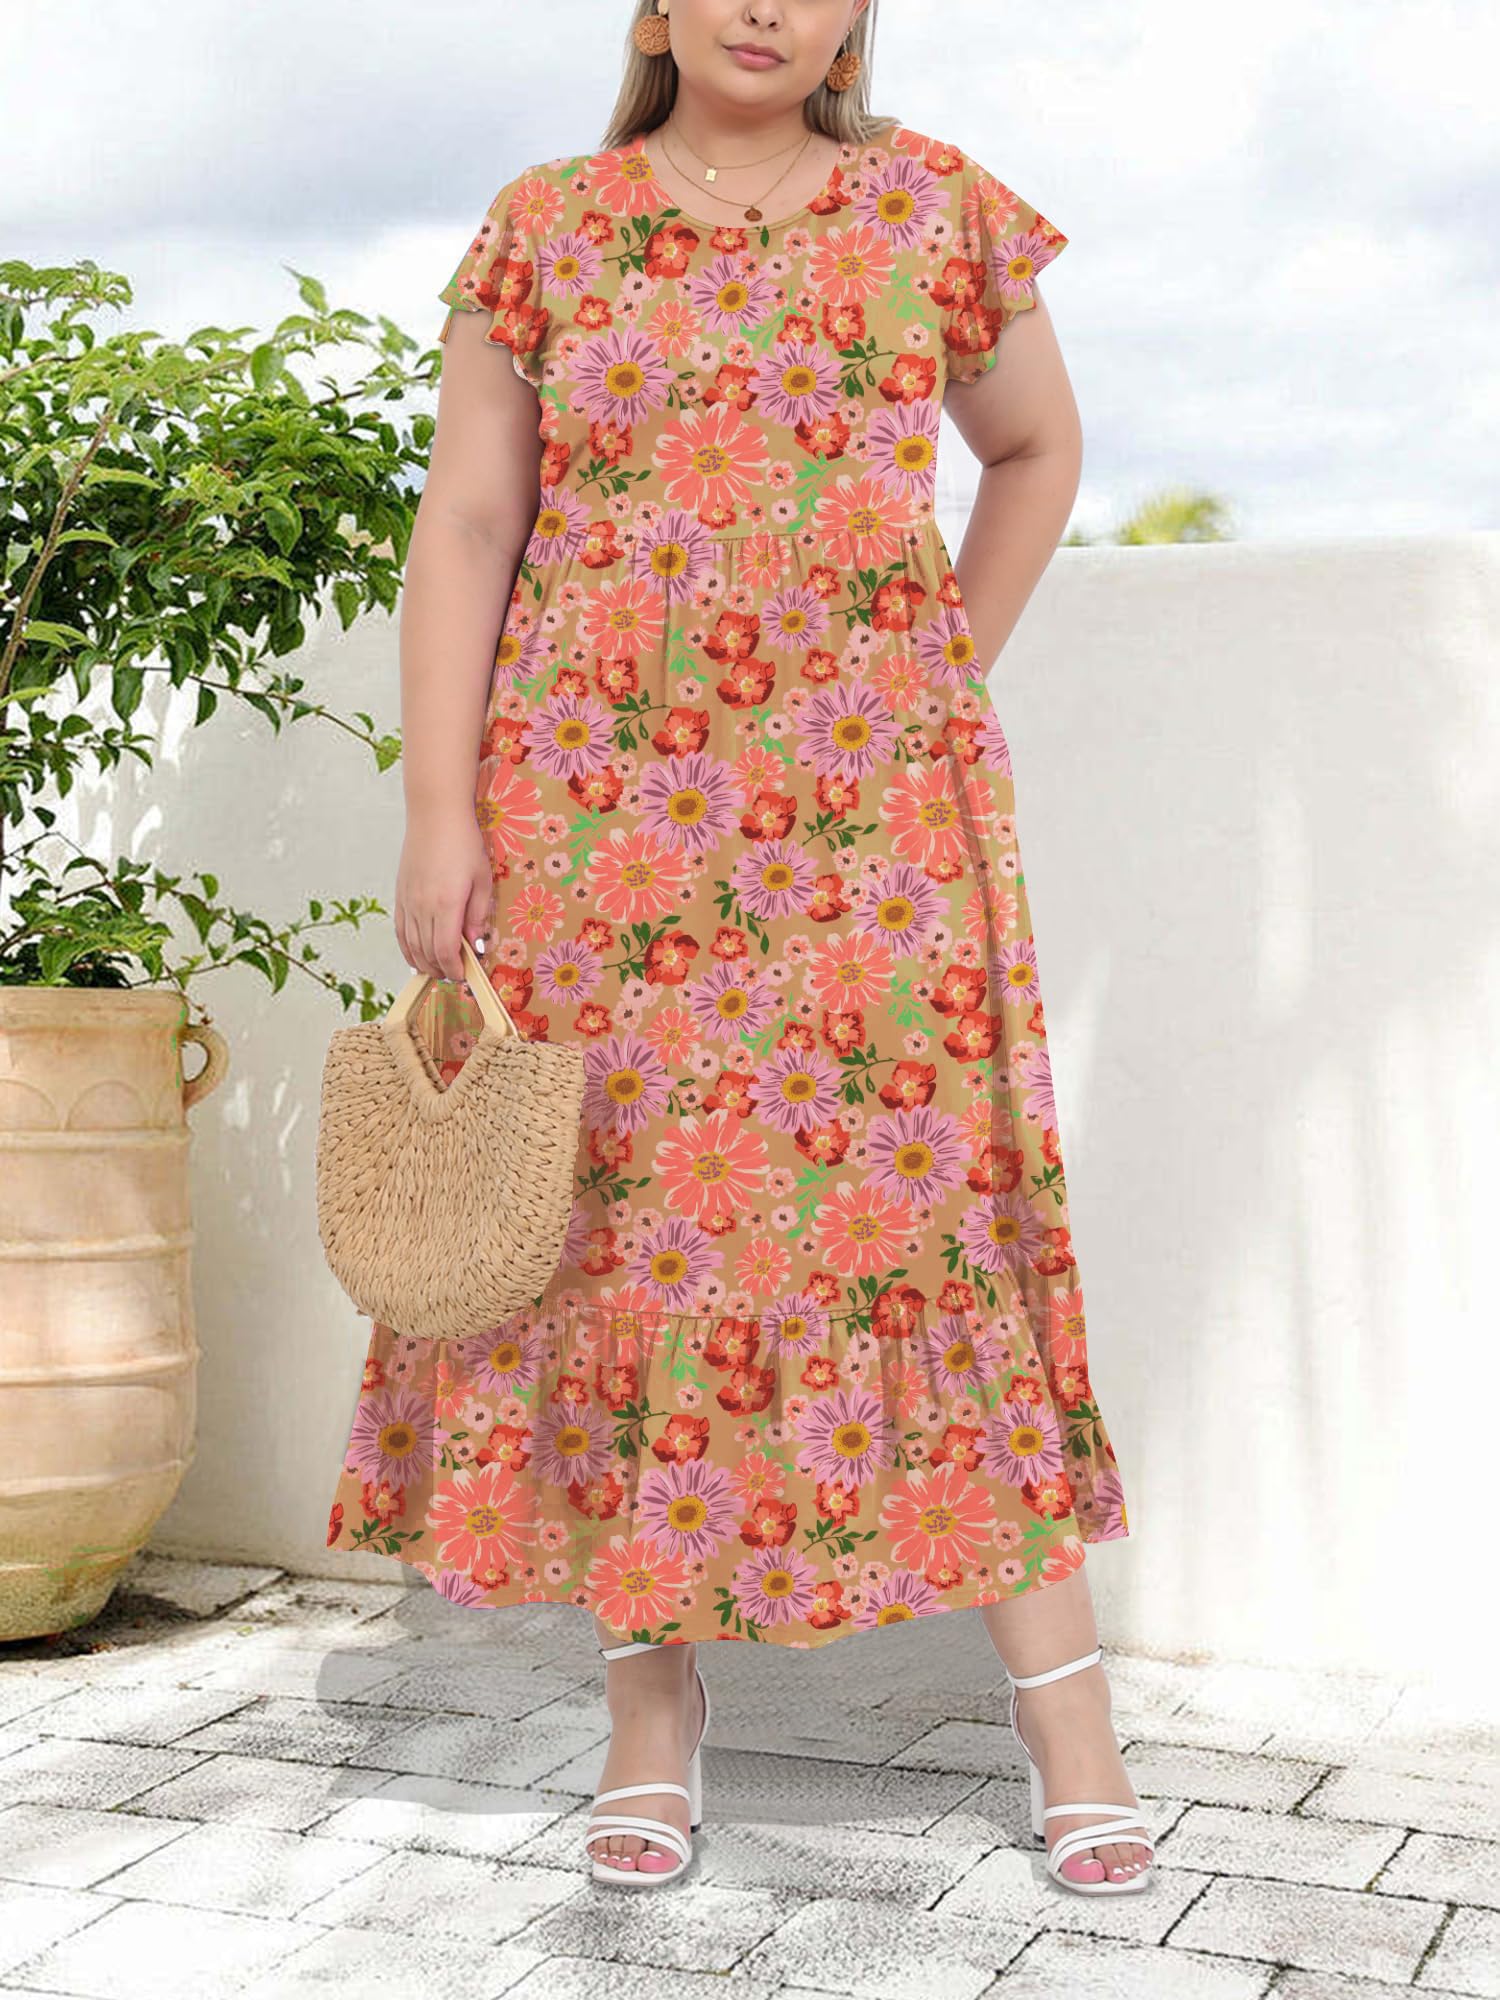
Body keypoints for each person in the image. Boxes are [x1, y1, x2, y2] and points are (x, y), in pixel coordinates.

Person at [327, 0, 1152, 1897]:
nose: (770, 3)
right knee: (628, 1231)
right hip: (595, 815)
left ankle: (1072, 1725)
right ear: (656, 9)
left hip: (876, 824)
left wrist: (932, 678)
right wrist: (442, 810)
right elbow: (469, 521)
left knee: (923, 1217)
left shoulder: (939, 207)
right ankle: (650, 1716)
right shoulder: (549, 223)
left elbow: (1037, 450)